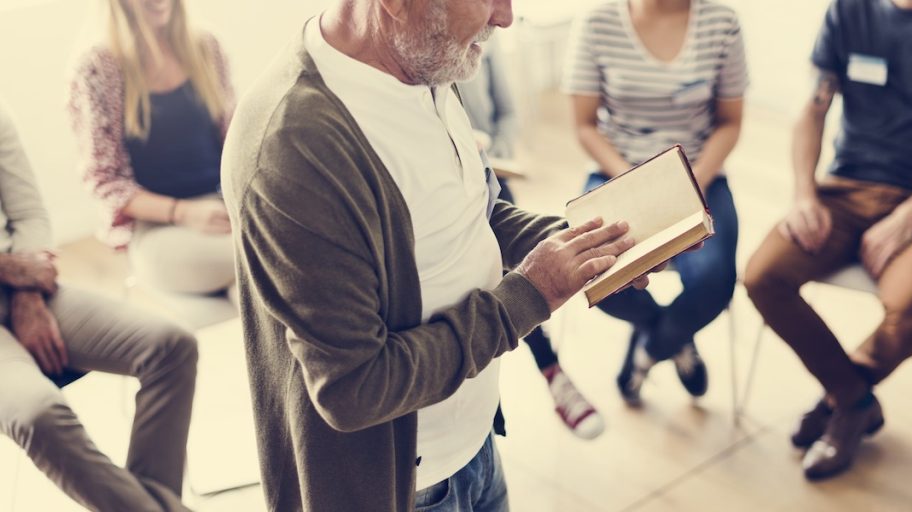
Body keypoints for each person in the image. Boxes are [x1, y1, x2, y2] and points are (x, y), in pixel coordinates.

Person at [221, 0, 683, 509]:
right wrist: (532, 294)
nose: (505, 17)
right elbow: (354, 388)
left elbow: (476, 213)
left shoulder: (426, 63)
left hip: (476, 444)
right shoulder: (295, 149)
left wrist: (591, 247)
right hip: (406, 488)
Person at [743, 0, 912, 480]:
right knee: (763, 276)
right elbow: (811, 109)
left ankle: (841, 402)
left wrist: (907, 217)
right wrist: (804, 194)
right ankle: (852, 400)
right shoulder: (848, 11)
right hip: (844, 189)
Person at [0, 102, 198, 511]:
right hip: (13, 271)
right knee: (39, 413)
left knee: (171, 347)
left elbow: (29, 214)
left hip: (20, 284)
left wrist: (27, 294)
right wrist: (10, 269)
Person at [563, 0, 747, 406]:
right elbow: (584, 125)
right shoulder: (597, 23)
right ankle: (672, 338)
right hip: (618, 173)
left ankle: (648, 351)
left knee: (715, 279)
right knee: (600, 277)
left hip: (701, 175)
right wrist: (637, 183)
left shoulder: (722, 22)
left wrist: (688, 182)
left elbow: (730, 122)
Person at [459, 39, 604, 439]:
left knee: (514, 275)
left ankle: (551, 372)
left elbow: (507, 116)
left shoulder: (484, 45)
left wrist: (489, 151)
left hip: (491, 180)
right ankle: (551, 372)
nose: (503, 17)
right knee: (501, 287)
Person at [68, 0, 236, 296]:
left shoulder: (207, 47)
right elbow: (104, 180)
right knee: (262, 255)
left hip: (225, 206)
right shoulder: (97, 68)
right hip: (158, 227)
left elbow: (236, 140)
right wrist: (184, 212)